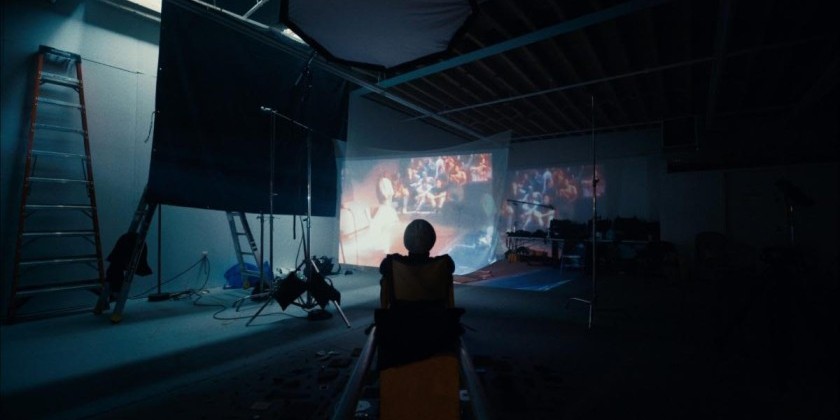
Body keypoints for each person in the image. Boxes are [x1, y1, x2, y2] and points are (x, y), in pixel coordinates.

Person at [379, 219, 455, 308]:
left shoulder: (389, 263)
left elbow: (382, 271)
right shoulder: (445, 263)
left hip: (399, 314)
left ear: (406, 240)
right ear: (432, 240)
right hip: (436, 315)